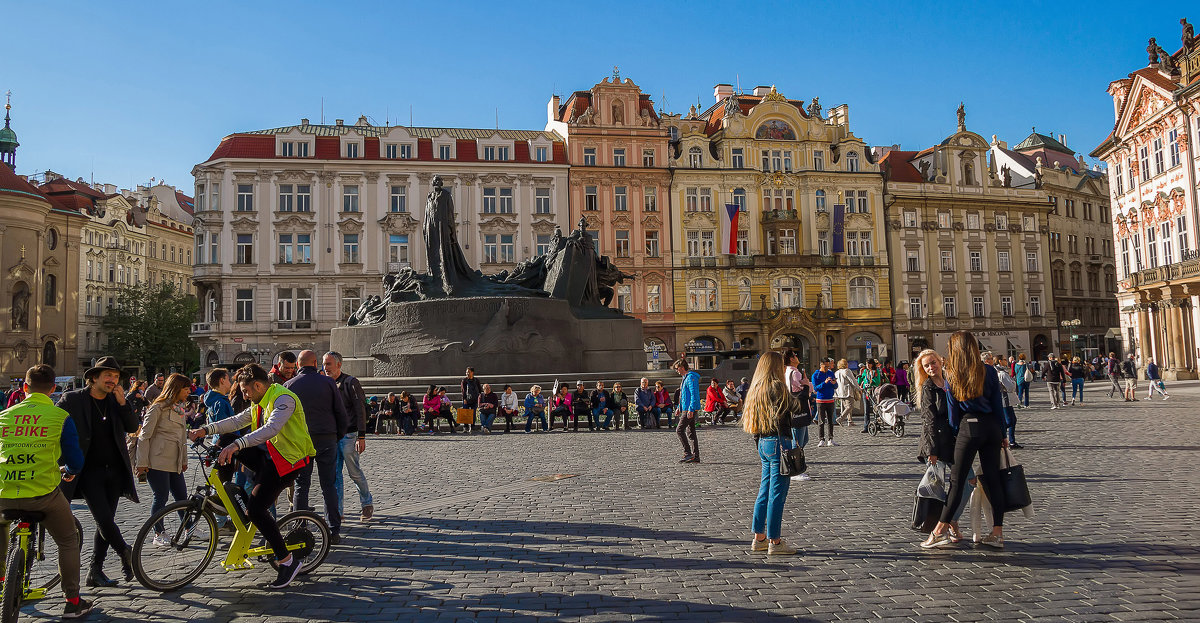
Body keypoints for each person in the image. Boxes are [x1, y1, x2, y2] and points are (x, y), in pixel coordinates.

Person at [188, 363, 316, 589]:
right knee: (226, 441)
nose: (244, 396)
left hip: (288, 462)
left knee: (255, 510)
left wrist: (238, 444)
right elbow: (237, 421)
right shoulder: (259, 400)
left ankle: (287, 561)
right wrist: (205, 430)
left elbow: (271, 429)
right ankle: (222, 494)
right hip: (271, 458)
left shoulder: (283, 398)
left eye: (246, 391)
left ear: (257, 385)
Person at [0, 365, 92, 618]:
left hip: (4, 491)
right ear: (53, 388)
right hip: (42, 494)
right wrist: (70, 470)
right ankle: (72, 600)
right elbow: (75, 459)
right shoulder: (59, 417)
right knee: (67, 540)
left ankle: (2, 582)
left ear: (24, 388)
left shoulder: (4, 416)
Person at [57, 356, 139, 588]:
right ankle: (125, 551)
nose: (113, 380)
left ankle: (95, 570)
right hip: (87, 470)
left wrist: (124, 404)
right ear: (94, 378)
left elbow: (133, 427)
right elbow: (55, 423)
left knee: (107, 521)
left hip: (114, 468)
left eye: (115, 377)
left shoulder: (116, 401)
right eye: (108, 376)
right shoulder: (73, 399)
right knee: (102, 518)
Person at [921, 331, 1007, 550]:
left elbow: (953, 414)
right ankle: (997, 533)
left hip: (969, 428)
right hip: (992, 428)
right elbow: (999, 406)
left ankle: (939, 531)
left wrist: (958, 433)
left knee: (957, 482)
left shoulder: (952, 375)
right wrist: (1003, 434)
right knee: (993, 480)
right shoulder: (988, 371)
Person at [742, 351, 805, 556]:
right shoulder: (777, 387)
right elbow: (792, 409)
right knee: (777, 495)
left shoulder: (756, 388)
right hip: (779, 442)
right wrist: (802, 393)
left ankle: (758, 538)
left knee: (764, 491)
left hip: (763, 442)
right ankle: (775, 542)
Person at [285, 350, 349, 545]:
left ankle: (299, 527)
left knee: (301, 485)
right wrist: (337, 435)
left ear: (298, 365)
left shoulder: (289, 385)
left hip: (302, 441)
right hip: (327, 438)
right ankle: (333, 529)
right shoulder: (328, 382)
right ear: (315, 363)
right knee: (328, 484)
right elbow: (340, 412)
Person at [912, 348, 969, 541]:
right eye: (926, 365)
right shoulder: (928, 388)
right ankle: (947, 525)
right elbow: (929, 420)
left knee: (968, 482)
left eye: (932, 363)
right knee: (938, 489)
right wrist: (932, 451)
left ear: (941, 361)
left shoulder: (952, 382)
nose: (930, 367)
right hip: (936, 443)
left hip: (956, 440)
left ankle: (950, 520)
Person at [136, 373, 194, 546]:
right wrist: (142, 463)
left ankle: (189, 528)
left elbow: (181, 437)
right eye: (185, 388)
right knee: (160, 497)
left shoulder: (179, 408)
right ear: (176, 389)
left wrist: (184, 460)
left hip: (175, 461)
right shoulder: (157, 408)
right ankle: (158, 533)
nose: (188, 392)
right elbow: (144, 437)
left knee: (182, 497)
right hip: (157, 460)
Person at [322, 351, 374, 523]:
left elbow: (360, 410)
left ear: (339, 364)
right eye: (324, 364)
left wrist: (362, 436)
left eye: (328, 364)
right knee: (335, 475)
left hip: (350, 435)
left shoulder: (351, 382)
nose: (325, 367)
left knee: (354, 473)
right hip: (333, 436)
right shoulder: (327, 384)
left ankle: (367, 504)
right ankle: (338, 512)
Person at [675, 359, 701, 463]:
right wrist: (679, 407)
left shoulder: (690, 377)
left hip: (689, 409)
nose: (677, 371)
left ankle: (688, 453)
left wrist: (690, 409)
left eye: (677, 368)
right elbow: (683, 396)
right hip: (686, 408)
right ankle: (695, 456)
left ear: (682, 367)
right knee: (691, 432)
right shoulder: (685, 378)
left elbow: (694, 394)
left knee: (679, 430)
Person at [993, 359, 1021, 450]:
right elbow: (1011, 387)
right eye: (1004, 359)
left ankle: (1011, 441)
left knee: (1013, 420)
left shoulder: (1003, 371)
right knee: (1009, 421)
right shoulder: (1001, 373)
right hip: (1005, 399)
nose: (1006, 361)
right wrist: (1013, 382)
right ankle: (1000, 437)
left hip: (1008, 399)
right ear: (1000, 361)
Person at [811, 359, 837, 447]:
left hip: (830, 399)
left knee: (830, 421)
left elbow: (836, 386)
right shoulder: (816, 375)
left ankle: (831, 439)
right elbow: (815, 388)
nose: (827, 368)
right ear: (821, 365)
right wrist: (824, 383)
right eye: (825, 366)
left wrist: (834, 383)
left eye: (828, 366)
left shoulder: (830, 373)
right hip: (821, 400)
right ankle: (821, 439)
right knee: (821, 421)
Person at [857, 359, 884, 433]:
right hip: (866, 391)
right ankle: (866, 426)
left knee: (875, 408)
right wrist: (860, 375)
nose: (867, 365)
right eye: (866, 364)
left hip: (873, 391)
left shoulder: (876, 371)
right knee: (866, 410)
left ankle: (878, 424)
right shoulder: (865, 371)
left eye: (869, 364)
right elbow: (860, 381)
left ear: (872, 364)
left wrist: (871, 383)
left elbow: (877, 381)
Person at [833, 359, 860, 427]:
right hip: (847, 391)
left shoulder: (836, 372)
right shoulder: (847, 371)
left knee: (846, 407)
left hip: (840, 392)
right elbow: (853, 380)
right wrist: (858, 388)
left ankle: (850, 421)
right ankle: (840, 418)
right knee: (850, 406)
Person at [460, 367, 482, 433]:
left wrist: (479, 397)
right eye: (466, 372)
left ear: (472, 372)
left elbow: (479, 389)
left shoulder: (476, 380)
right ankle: (465, 427)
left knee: (473, 413)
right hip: (466, 399)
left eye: (468, 372)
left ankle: (472, 426)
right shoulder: (464, 381)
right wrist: (464, 398)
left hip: (474, 399)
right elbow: (463, 390)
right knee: (465, 412)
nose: (467, 373)